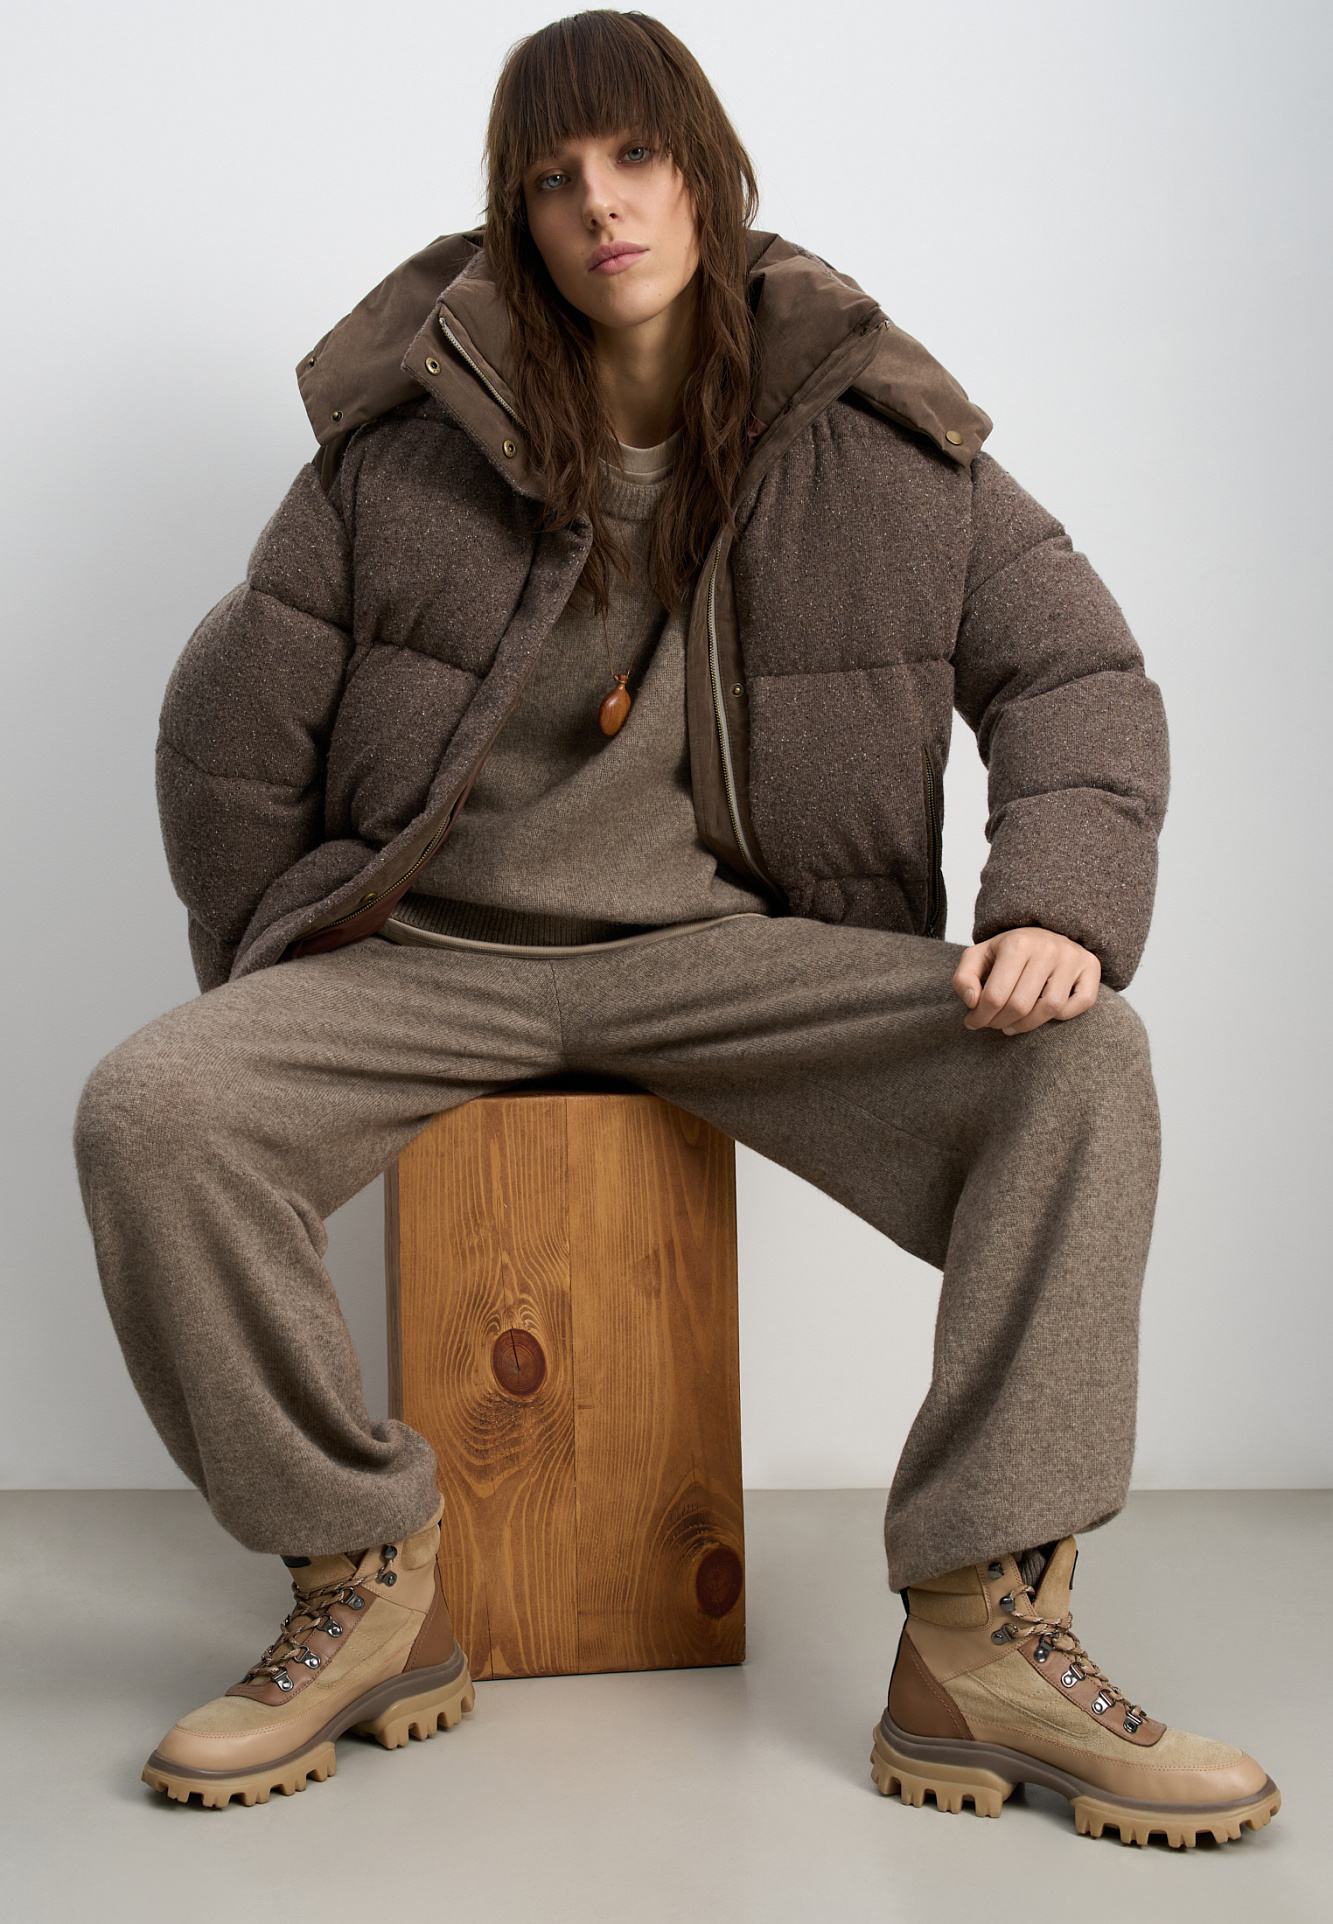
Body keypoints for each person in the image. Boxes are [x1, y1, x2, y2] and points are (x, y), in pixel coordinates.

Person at [74, 9, 1278, 1843]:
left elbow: (1077, 676)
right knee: (151, 1111)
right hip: (433, 961)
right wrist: (271, 961)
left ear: (704, 173)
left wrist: (1054, 904)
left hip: (733, 961)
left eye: (634, 157)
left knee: (1082, 1061)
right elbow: (229, 735)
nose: (601, 207)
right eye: (553, 178)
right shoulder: (396, 456)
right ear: (516, 215)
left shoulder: (872, 440)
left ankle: (983, 1639)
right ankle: (362, 1577)